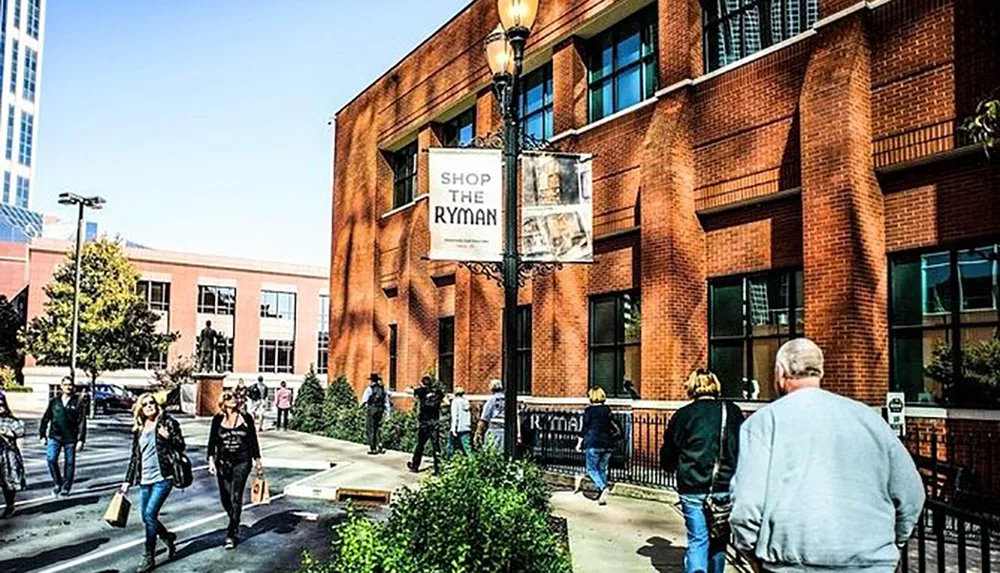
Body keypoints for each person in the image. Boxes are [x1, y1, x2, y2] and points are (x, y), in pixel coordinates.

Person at [730, 339, 925, 573]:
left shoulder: (764, 422)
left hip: (791, 562)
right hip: (870, 560)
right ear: (820, 371)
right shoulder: (869, 418)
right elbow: (911, 494)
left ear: (780, 372)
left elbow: (746, 506)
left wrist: (751, 552)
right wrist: (893, 542)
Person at [661, 369, 743, 573]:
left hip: (692, 485)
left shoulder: (683, 415)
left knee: (698, 540)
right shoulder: (731, 411)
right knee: (719, 539)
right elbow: (742, 446)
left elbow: (670, 449)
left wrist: (669, 466)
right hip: (724, 484)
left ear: (692, 387)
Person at [119, 393, 185, 573]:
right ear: (140, 408)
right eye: (145, 404)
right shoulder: (139, 428)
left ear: (157, 405)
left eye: (152, 403)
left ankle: (149, 556)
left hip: (163, 478)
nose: (149, 406)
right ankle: (167, 537)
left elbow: (181, 446)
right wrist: (127, 480)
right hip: (145, 480)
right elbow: (135, 457)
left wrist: (168, 438)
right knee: (147, 517)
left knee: (149, 515)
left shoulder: (168, 423)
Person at [206, 390, 263, 550]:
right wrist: (210, 459)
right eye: (228, 397)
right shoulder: (217, 419)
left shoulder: (246, 418)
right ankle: (234, 519)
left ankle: (231, 533)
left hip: (242, 462)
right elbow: (212, 441)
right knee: (225, 498)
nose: (233, 399)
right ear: (222, 402)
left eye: (235, 397)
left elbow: (253, 439)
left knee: (236, 495)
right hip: (222, 462)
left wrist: (257, 460)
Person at [39, 377, 87, 497]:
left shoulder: (78, 402)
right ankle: (57, 482)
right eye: (65, 385)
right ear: (61, 386)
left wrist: (81, 439)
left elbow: (82, 422)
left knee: (69, 463)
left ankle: (66, 486)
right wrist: (42, 435)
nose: (68, 387)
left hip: (70, 438)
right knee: (51, 459)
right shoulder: (55, 402)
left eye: (70, 385)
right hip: (54, 436)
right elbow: (46, 418)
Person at [575, 387, 619, 505]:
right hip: (608, 443)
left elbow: (584, 428)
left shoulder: (589, 411)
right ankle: (602, 494)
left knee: (591, 469)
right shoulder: (607, 410)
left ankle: (603, 487)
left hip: (593, 442)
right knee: (602, 468)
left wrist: (579, 443)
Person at [407, 376, 444, 474]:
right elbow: (446, 401)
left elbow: (408, 391)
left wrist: (415, 389)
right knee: (436, 446)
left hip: (424, 423)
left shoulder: (421, 391)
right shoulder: (438, 392)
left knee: (420, 445)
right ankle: (438, 469)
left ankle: (415, 466)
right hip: (435, 423)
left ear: (422, 383)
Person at [0, 394, 26, 518]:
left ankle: (10, 505)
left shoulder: (13, 421)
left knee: (8, 483)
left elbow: (19, 433)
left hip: (8, 455)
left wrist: (4, 432)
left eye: (1, 405)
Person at [362, 373, 390, 455]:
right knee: (377, 427)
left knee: (370, 428)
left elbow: (364, 400)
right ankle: (380, 444)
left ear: (371, 381)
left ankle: (373, 448)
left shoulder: (369, 389)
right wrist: (388, 412)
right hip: (380, 409)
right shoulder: (383, 389)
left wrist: (367, 407)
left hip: (372, 409)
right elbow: (386, 401)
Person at [476, 379, 505, 450]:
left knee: (491, 452)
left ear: (492, 388)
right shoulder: (507, 399)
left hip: (494, 430)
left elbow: (484, 418)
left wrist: (478, 432)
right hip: (505, 431)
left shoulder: (491, 400)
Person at [447, 386, 473, 458]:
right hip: (466, 427)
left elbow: (455, 416)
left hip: (458, 427)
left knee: (450, 447)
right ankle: (473, 462)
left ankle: (449, 462)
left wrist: (453, 429)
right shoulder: (466, 401)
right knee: (467, 448)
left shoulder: (455, 402)